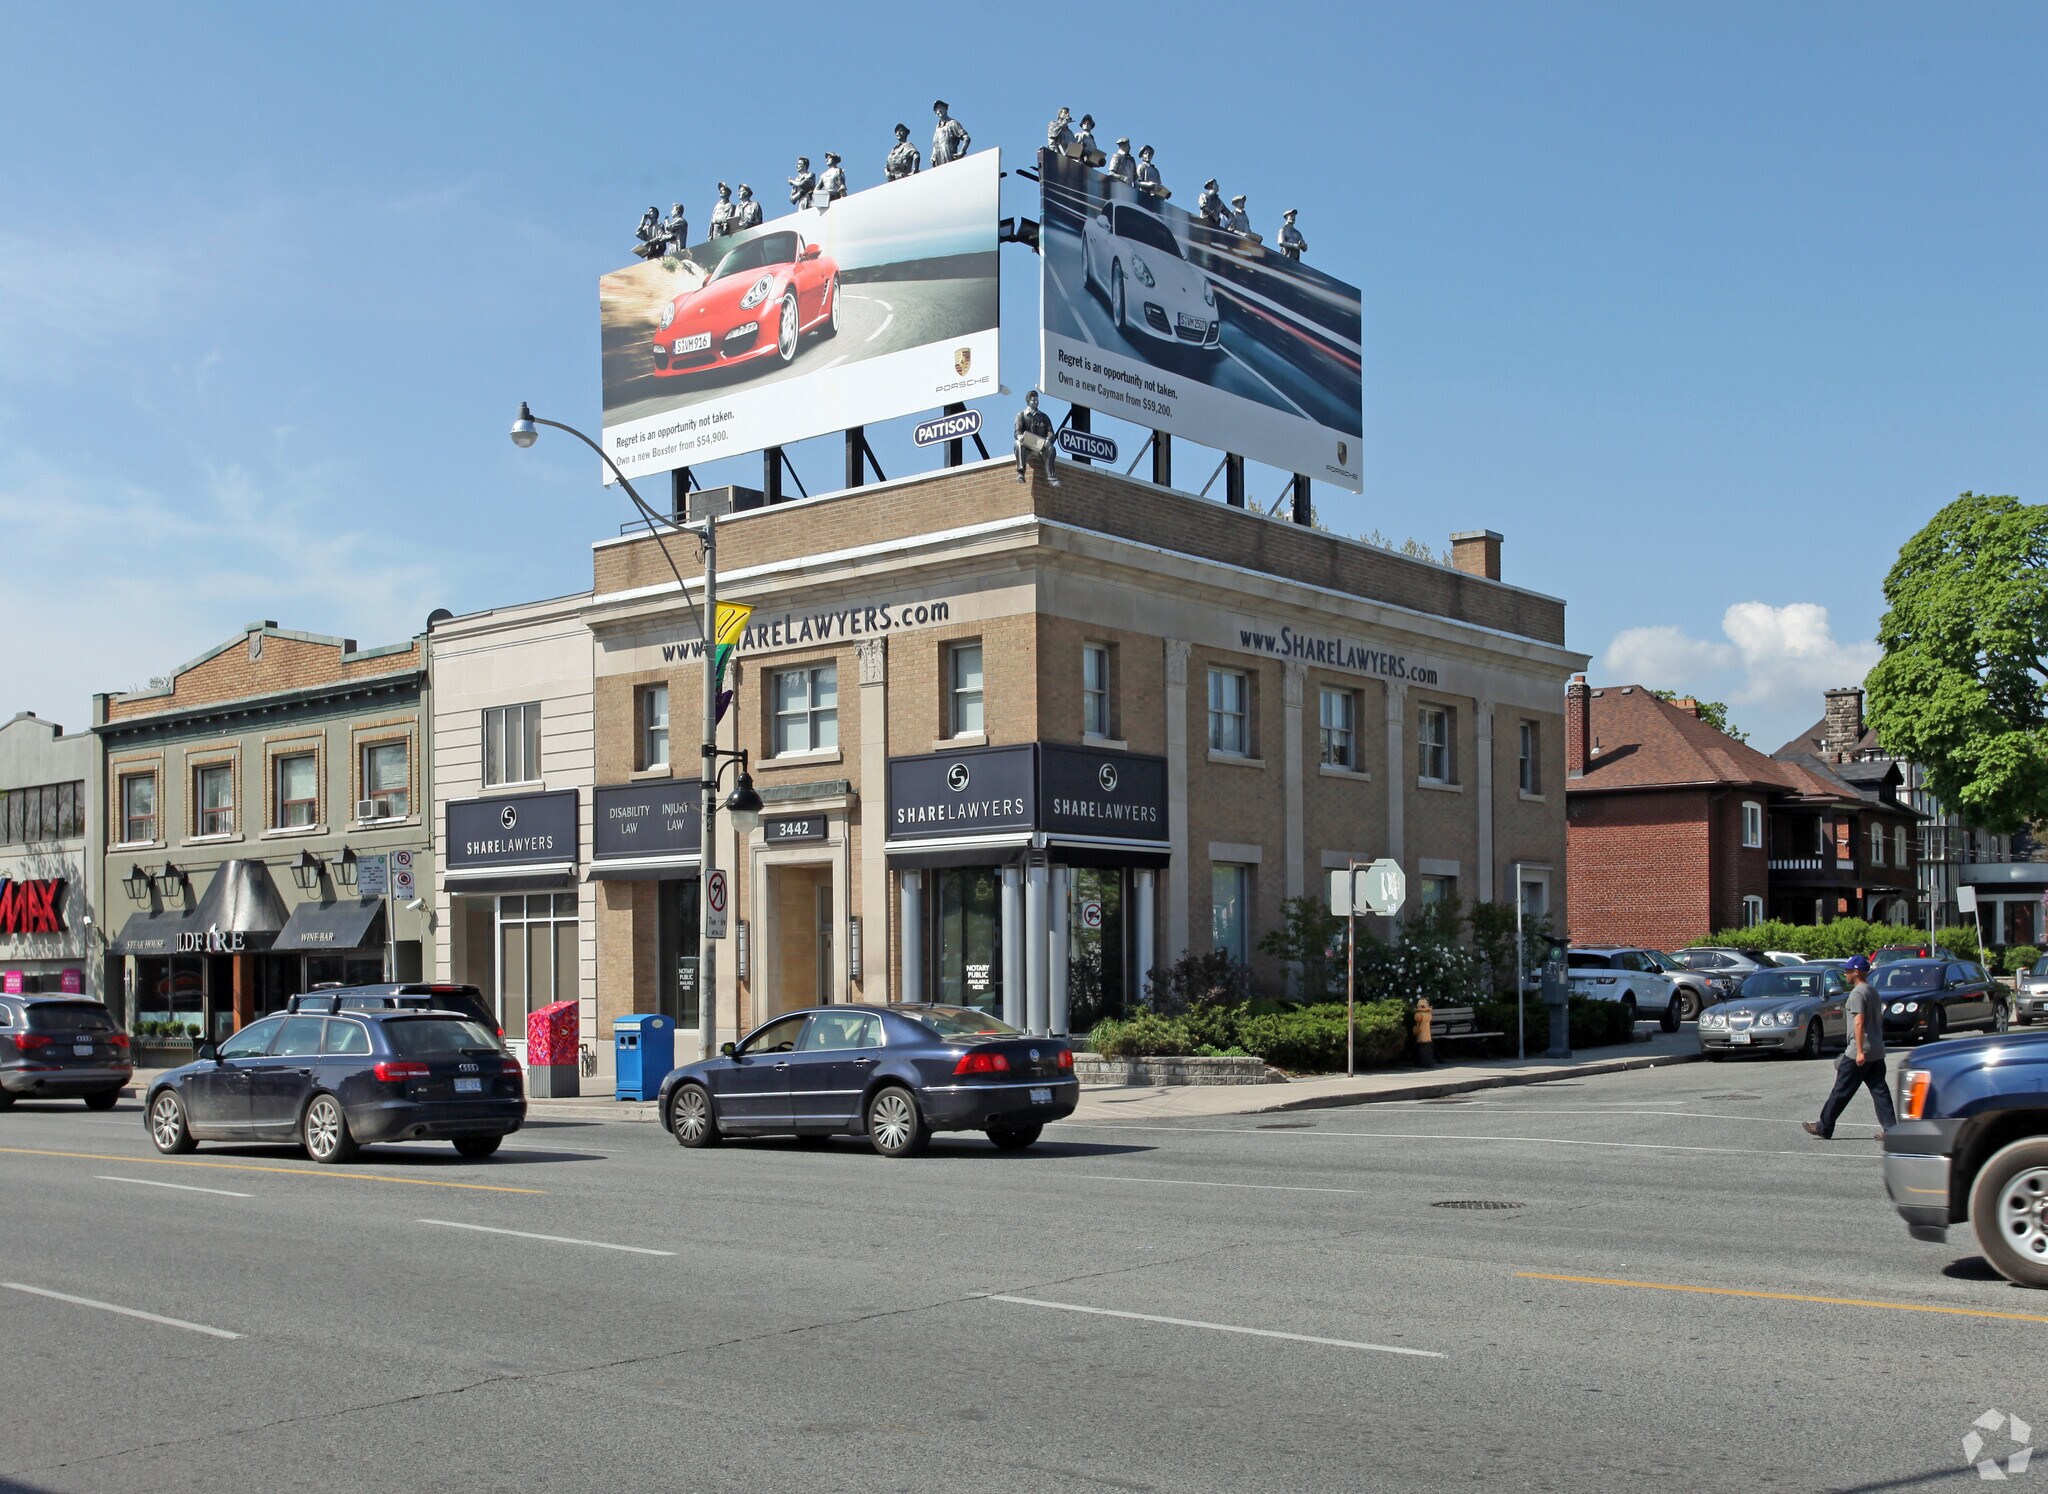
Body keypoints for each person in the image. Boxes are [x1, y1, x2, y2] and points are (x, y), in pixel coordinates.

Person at [1805, 956, 1896, 1139]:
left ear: (1856, 972)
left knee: (1841, 1090)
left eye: (1847, 970)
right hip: (1876, 1050)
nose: (1845, 973)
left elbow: (1859, 1021)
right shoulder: (1872, 991)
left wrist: (1860, 1051)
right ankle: (1892, 1130)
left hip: (1859, 1051)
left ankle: (1824, 1127)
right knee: (1880, 1091)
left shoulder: (1857, 993)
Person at [1013, 390, 1059, 486]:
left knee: (1051, 448)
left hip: (1040, 447)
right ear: (1028, 401)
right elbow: (1017, 430)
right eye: (1033, 400)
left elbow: (1051, 432)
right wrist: (1020, 436)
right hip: (1027, 446)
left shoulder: (1043, 417)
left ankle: (1051, 477)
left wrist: (1048, 440)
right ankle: (1021, 473)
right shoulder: (1021, 415)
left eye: (1037, 400)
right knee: (1018, 443)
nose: (1036, 402)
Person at [931, 100, 970, 165]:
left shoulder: (953, 123)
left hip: (949, 159)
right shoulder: (937, 128)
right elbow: (935, 145)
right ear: (936, 113)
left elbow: (966, 138)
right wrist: (933, 154)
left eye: (941, 107)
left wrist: (962, 152)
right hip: (938, 162)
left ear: (946, 109)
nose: (939, 110)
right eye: (937, 109)